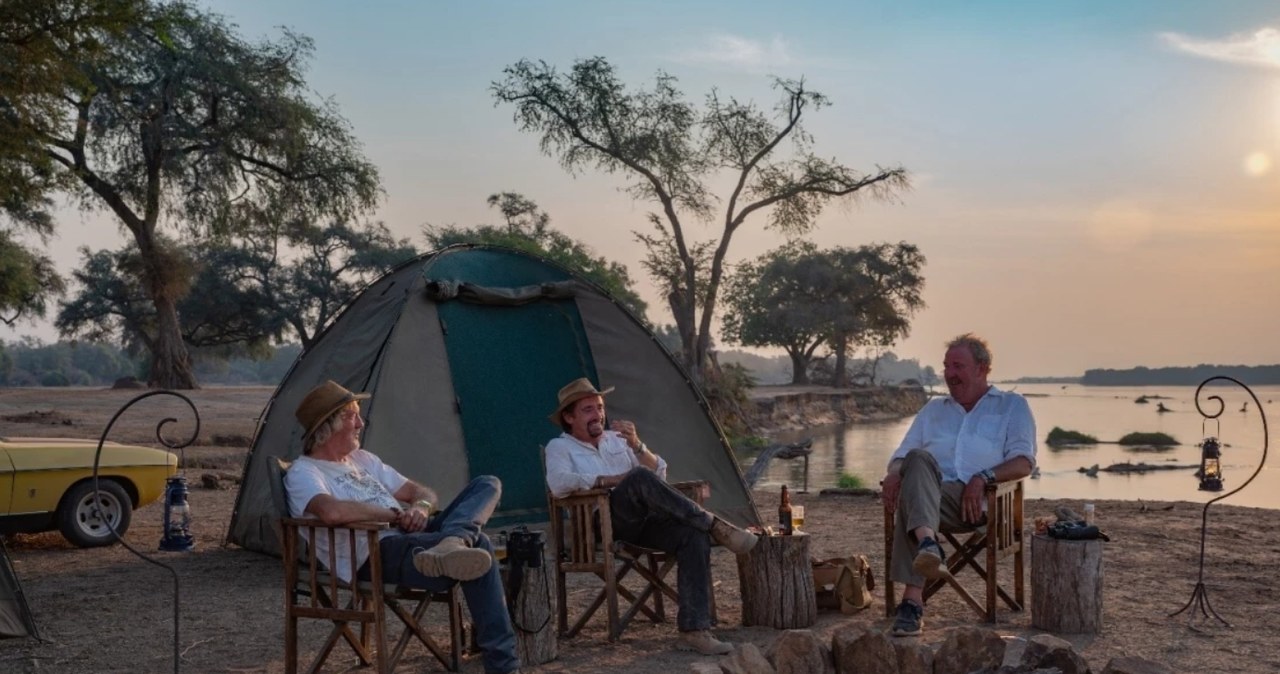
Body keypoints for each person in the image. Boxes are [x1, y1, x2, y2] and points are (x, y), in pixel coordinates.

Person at [284, 380, 521, 674]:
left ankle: (454, 542)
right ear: (327, 427)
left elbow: (422, 493)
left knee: (487, 483)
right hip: (375, 553)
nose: (360, 422)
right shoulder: (304, 472)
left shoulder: (363, 459)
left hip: (414, 537)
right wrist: (394, 515)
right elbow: (331, 512)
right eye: (351, 416)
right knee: (481, 543)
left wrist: (420, 509)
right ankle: (505, 669)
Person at [543, 378, 758, 656]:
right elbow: (558, 483)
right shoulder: (559, 447)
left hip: (643, 522)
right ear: (569, 417)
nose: (598, 415)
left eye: (599, 407)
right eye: (587, 410)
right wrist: (611, 480)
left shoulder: (616, 440)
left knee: (692, 535)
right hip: (602, 524)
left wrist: (638, 446)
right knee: (636, 478)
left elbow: (659, 477)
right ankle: (716, 524)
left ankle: (694, 631)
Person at [880, 334, 1037, 637]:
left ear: (982, 368)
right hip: (931, 498)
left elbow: (1024, 462)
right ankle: (927, 547)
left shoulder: (1011, 406)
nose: (950, 374)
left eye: (958, 366)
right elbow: (900, 458)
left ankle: (915, 593)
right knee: (917, 460)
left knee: (913, 502)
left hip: (981, 503)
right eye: (946, 366)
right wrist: (894, 474)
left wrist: (983, 477)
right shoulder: (934, 409)